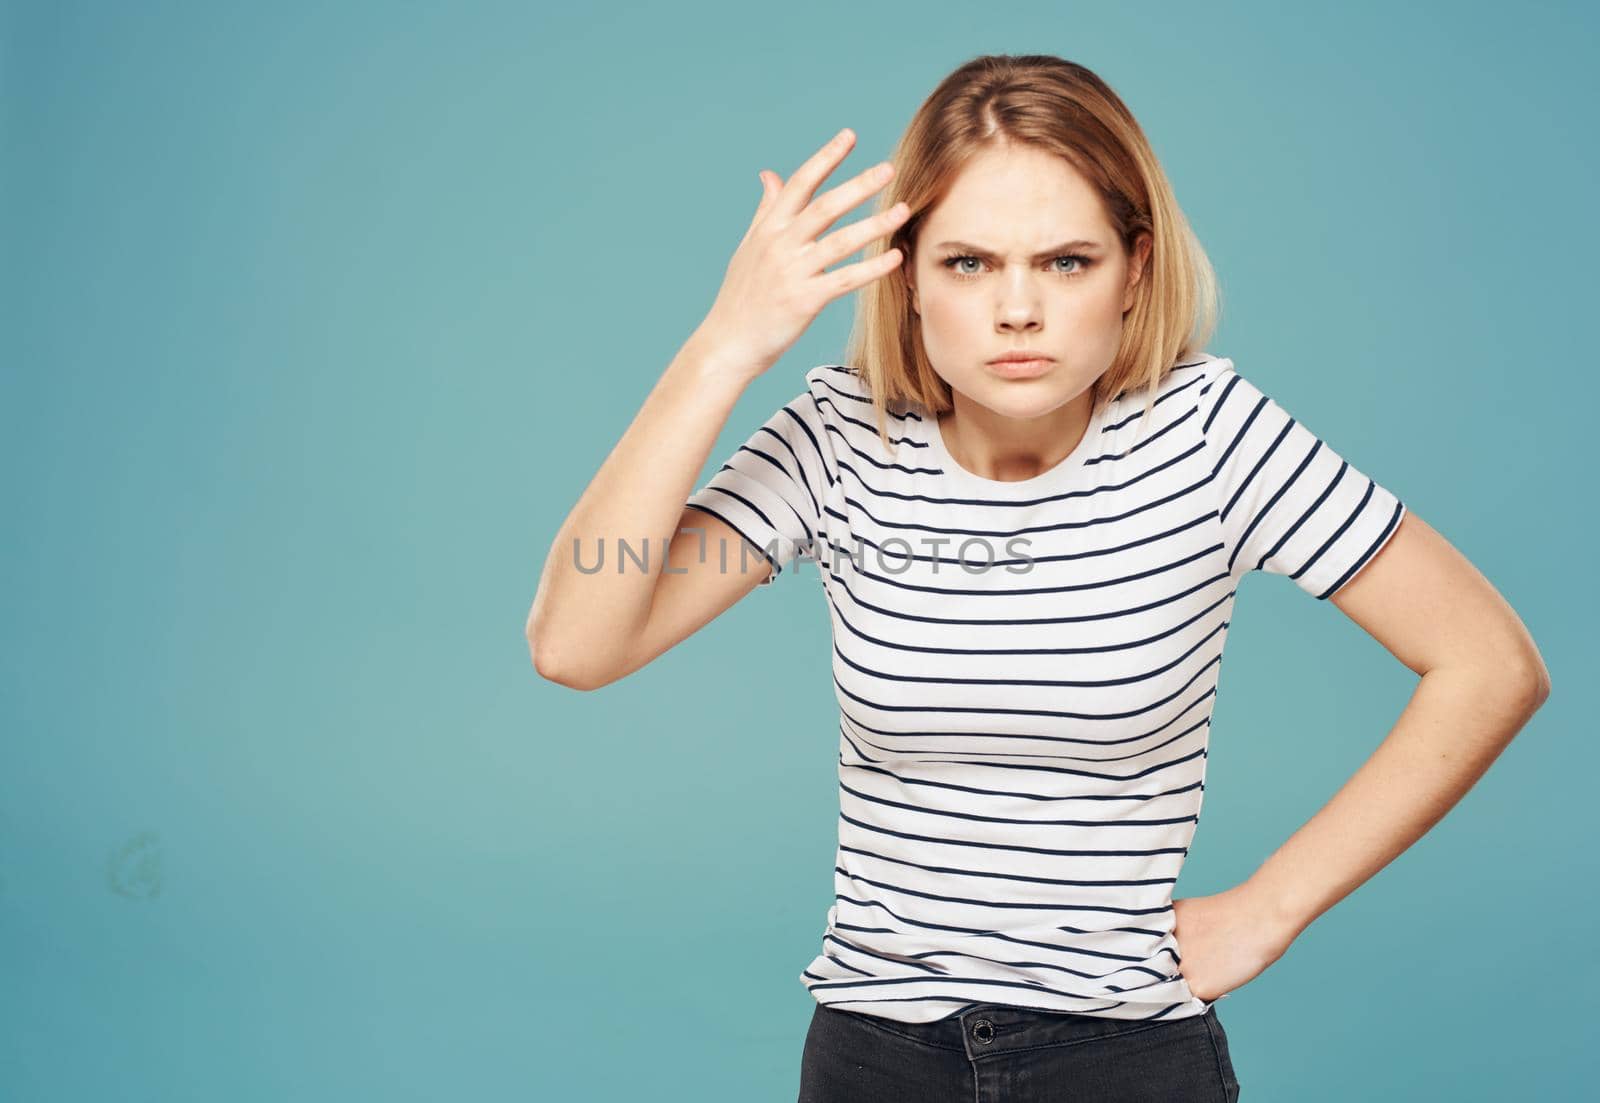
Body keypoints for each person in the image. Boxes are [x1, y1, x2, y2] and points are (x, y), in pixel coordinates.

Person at [525, 53, 1550, 1103]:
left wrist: (1272, 904)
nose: (1018, 309)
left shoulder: (1204, 434)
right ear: (905, 273)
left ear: (1134, 269)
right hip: (874, 1052)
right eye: (968, 263)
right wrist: (723, 345)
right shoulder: (842, 436)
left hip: (1126, 1054)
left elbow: (1488, 660)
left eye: (1065, 261)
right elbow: (576, 642)